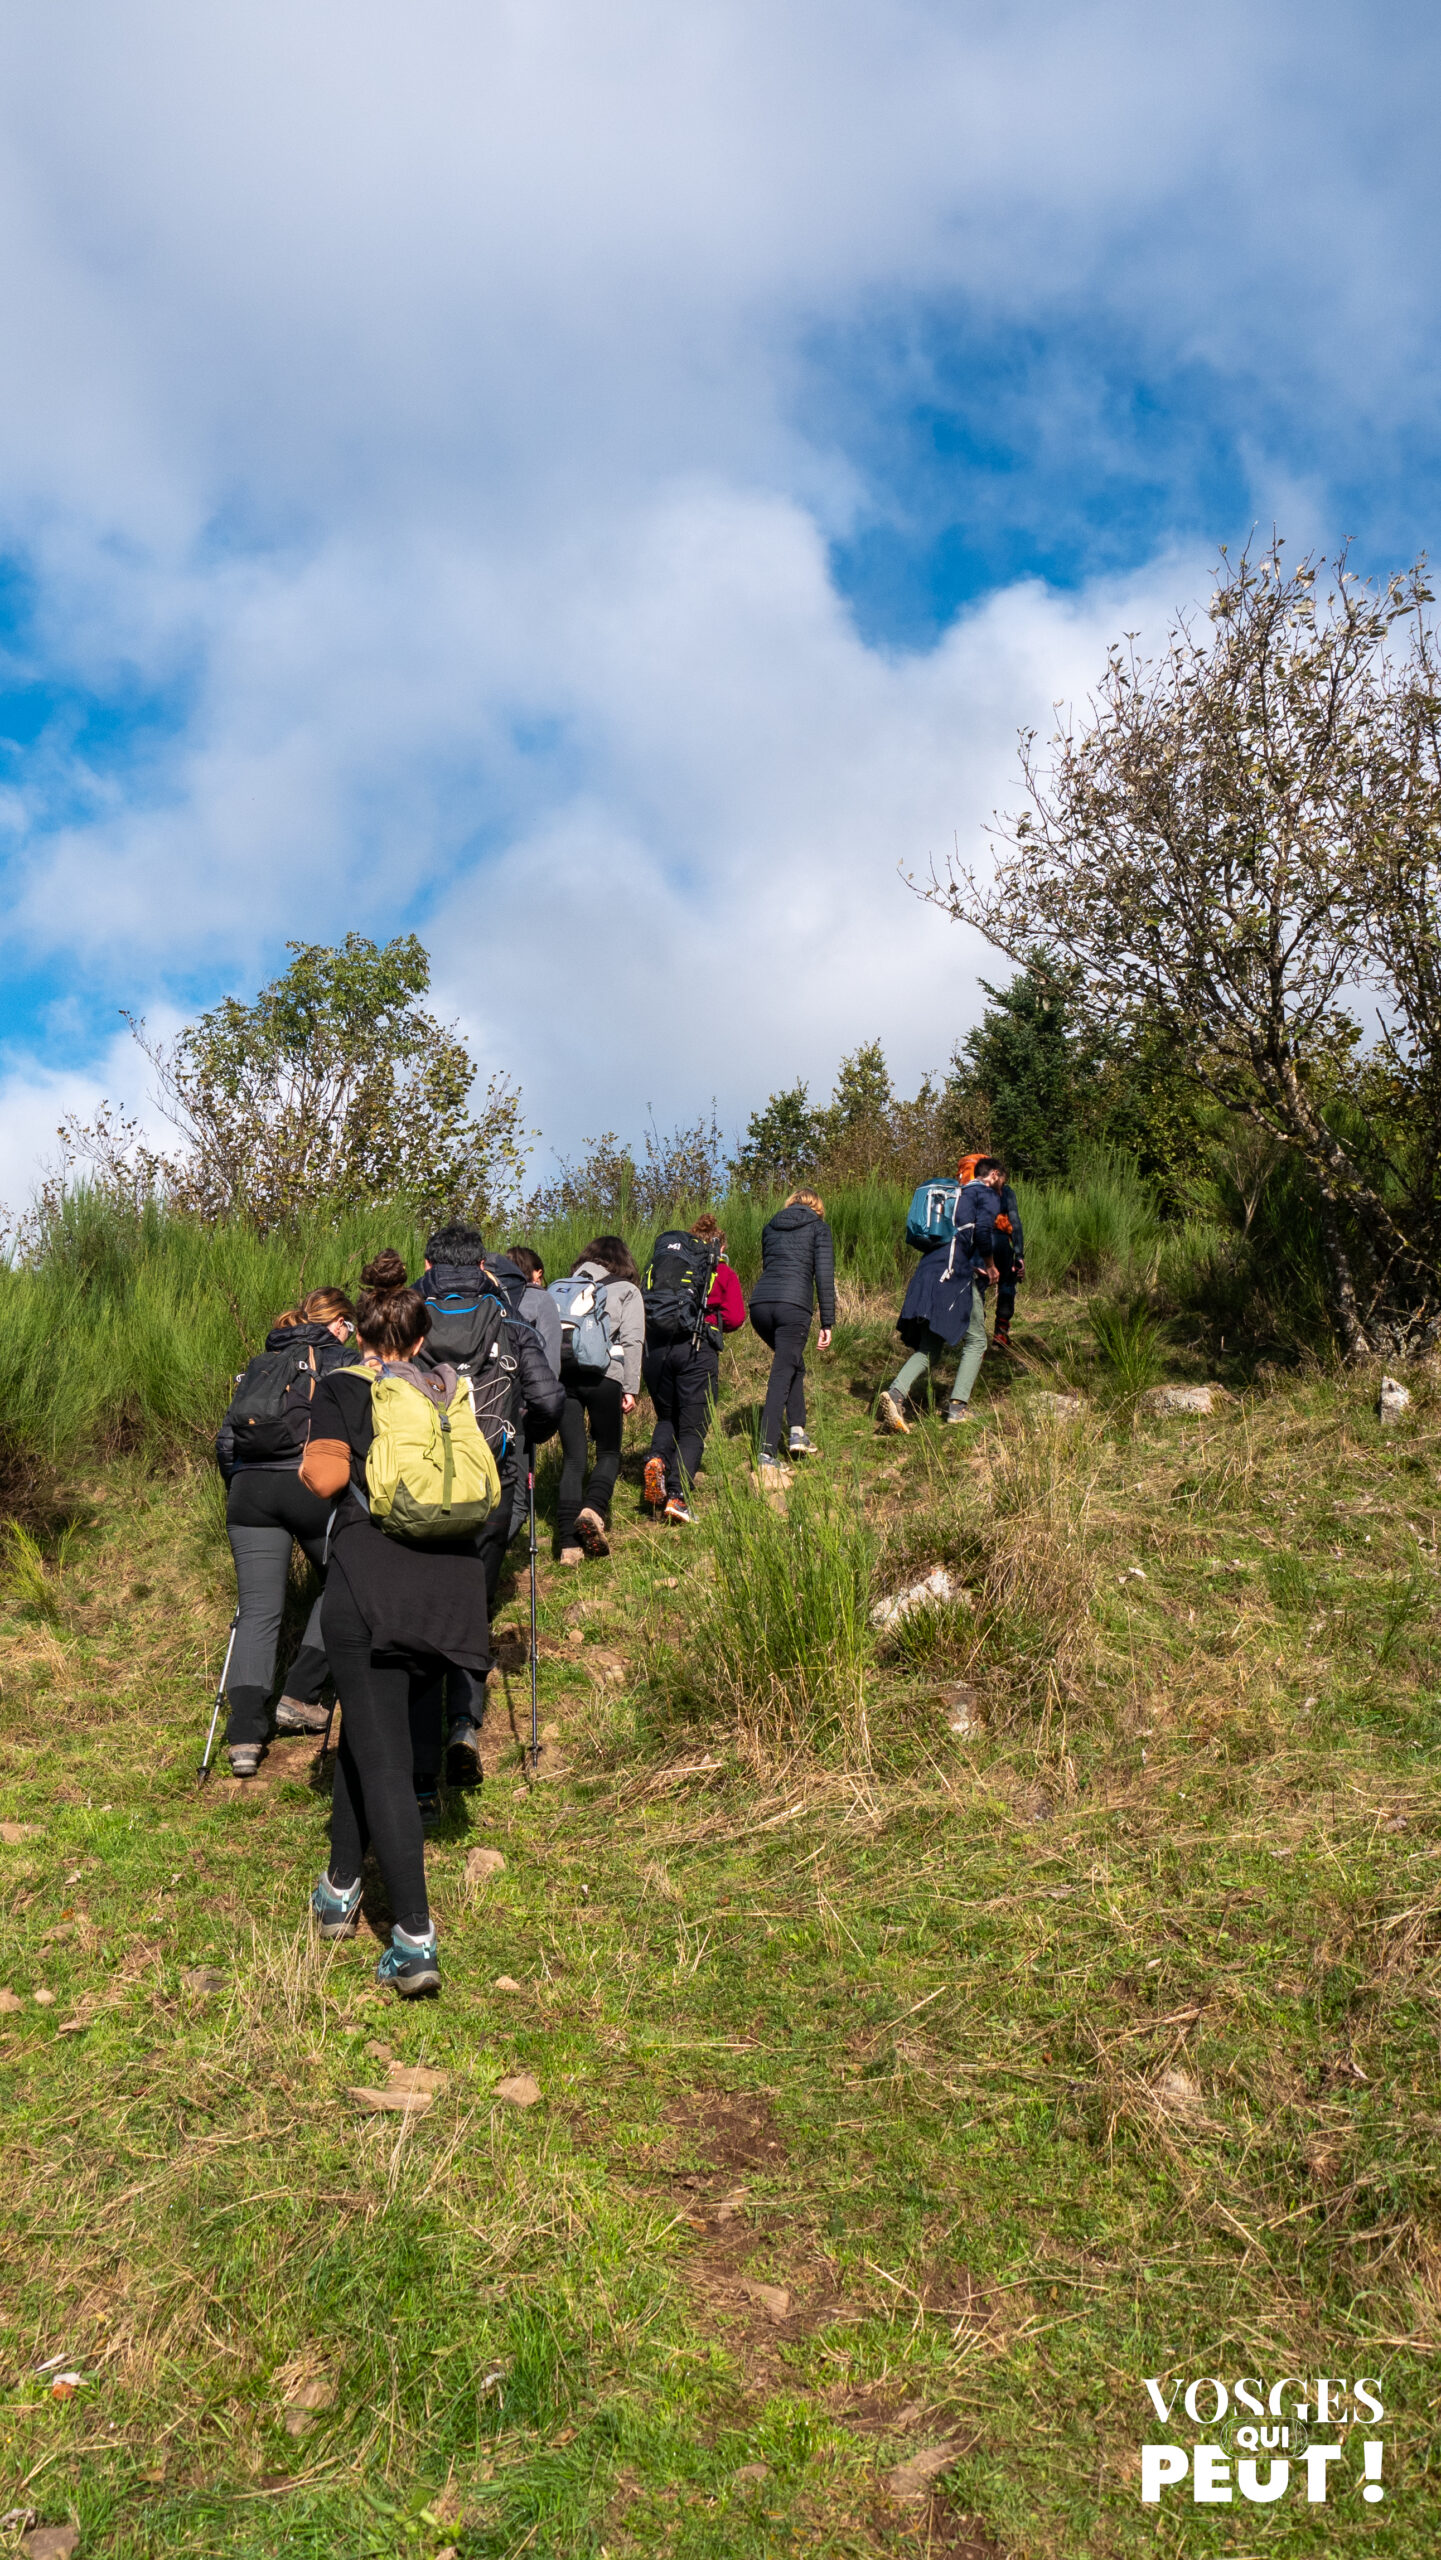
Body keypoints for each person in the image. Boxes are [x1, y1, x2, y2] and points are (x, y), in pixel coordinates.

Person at [299, 1251, 493, 1998]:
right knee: (373, 1733)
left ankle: (413, 1938)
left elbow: (324, 1479)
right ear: (419, 1336)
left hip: (370, 1587)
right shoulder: (449, 1387)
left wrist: (314, 1459)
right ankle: (341, 1887)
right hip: (448, 1588)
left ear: (361, 1332)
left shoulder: (344, 1387)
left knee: (382, 1759)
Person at [411, 1222, 565, 1794]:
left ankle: (420, 1762)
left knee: (424, 1608)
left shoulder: (407, 1322)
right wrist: (528, 1438)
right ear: (481, 1268)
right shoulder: (511, 1323)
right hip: (491, 1483)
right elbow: (550, 1399)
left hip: (419, 1486)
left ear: (427, 1264)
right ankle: (464, 1726)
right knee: (471, 1603)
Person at [214, 1287, 356, 1778]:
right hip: (308, 1485)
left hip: (249, 1491)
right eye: (350, 1324)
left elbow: (226, 1442)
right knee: (344, 1578)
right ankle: (301, 1692)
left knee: (257, 1612)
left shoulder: (262, 1360)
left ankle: (244, 1738)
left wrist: (244, 1486)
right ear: (339, 1323)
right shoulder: (342, 1359)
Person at [877, 1159, 1003, 1431]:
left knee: (931, 1347)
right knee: (977, 1340)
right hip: (953, 1277)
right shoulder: (984, 1194)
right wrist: (991, 1267)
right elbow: (982, 1233)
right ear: (993, 1175)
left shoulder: (951, 1198)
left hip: (928, 1272)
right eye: (1002, 1180)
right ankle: (958, 1408)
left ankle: (895, 1395)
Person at [641, 1213, 746, 1524]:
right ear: (719, 1246)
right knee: (693, 1428)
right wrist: (713, 1323)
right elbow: (737, 1317)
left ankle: (657, 1459)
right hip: (696, 1349)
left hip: (656, 1350)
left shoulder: (663, 1269)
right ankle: (677, 1496)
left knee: (668, 1417)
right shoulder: (722, 1271)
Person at [555, 1235, 645, 1562]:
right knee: (608, 1451)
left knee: (573, 1458)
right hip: (606, 1377)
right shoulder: (627, 1290)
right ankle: (593, 1511)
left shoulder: (562, 1286)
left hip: (565, 1376)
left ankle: (567, 1546)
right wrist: (631, 1387)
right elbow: (634, 1341)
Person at [747, 1189, 835, 1470]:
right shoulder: (818, 1228)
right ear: (817, 1208)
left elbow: (769, 1265)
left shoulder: (770, 1226)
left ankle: (797, 1432)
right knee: (781, 1374)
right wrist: (827, 1321)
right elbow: (823, 1275)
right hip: (793, 1306)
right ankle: (766, 1453)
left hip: (760, 1306)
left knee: (793, 1362)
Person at [957, 1152, 1024, 1349]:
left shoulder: (968, 1190)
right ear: (996, 1174)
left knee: (979, 1287)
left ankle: (976, 1336)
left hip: (978, 1243)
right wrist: (1019, 1255)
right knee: (1007, 1282)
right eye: (1003, 1179)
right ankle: (1001, 1333)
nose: (1003, 1183)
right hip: (1001, 1242)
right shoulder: (1007, 1192)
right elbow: (1015, 1223)